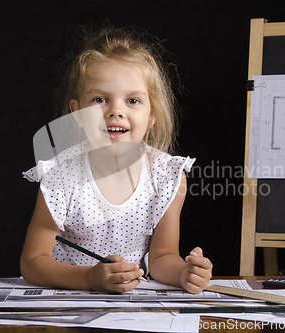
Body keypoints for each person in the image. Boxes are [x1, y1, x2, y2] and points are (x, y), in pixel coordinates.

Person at [20, 27, 212, 294]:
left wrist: (184, 273)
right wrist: (90, 279)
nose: (116, 111)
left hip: (132, 308)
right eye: (100, 99)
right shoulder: (60, 176)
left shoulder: (167, 176)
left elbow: (162, 257)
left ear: (151, 116)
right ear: (77, 114)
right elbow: (32, 262)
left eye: (132, 100)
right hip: (69, 300)